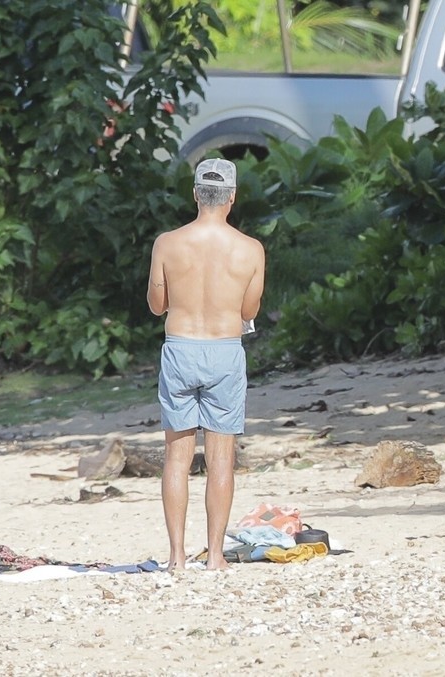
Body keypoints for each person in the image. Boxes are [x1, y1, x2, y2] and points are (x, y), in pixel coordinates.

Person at [146, 158, 265, 571]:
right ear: (232, 197)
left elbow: (156, 305)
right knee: (221, 460)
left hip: (180, 349)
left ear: (196, 194)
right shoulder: (251, 249)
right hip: (224, 351)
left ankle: (177, 557)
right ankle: (215, 556)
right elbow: (249, 310)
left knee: (176, 459)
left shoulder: (167, 243)